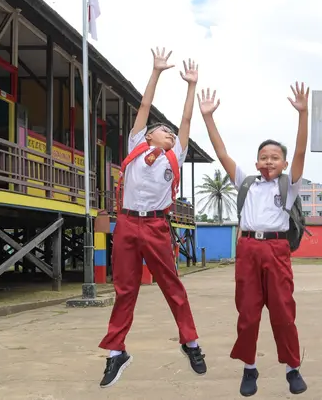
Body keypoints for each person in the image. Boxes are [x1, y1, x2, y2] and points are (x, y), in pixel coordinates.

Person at [98, 48, 207, 388]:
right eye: (164, 131)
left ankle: (190, 342)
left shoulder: (173, 156)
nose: (171, 134)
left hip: (157, 225)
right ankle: (116, 352)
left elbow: (186, 121)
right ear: (147, 136)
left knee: (172, 286)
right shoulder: (135, 144)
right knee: (125, 289)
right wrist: (156, 72)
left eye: (172, 134)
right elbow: (144, 107)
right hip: (128, 223)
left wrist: (191, 86)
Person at [198, 83, 309, 397]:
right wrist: (208, 118)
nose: (270, 161)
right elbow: (221, 152)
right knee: (247, 315)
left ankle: (292, 368)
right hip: (247, 249)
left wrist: (303, 114)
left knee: (283, 313)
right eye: (264, 157)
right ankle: (249, 368)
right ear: (257, 162)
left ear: (284, 164)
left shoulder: (290, 185)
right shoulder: (246, 182)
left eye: (275, 157)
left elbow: (301, 150)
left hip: (276, 250)